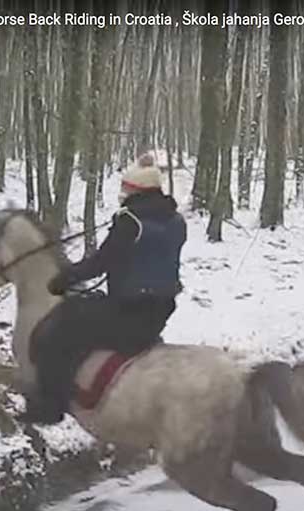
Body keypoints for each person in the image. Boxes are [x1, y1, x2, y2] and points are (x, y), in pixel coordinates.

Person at [19, 153, 187, 424]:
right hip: (160, 313)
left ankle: (49, 406)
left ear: (134, 191)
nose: (122, 194)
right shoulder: (177, 220)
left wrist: (65, 278)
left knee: (60, 328)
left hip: (127, 313)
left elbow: (101, 262)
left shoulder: (130, 222)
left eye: (126, 188)